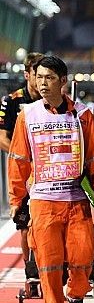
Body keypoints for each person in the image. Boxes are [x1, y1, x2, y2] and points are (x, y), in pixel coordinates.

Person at [7, 55, 94, 303]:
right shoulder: (27, 116)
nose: (43, 83)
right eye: (39, 77)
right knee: (49, 265)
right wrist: (16, 200)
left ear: (63, 81)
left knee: (84, 257)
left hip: (77, 201)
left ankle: (76, 294)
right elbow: (18, 161)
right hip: (43, 203)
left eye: (49, 78)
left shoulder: (83, 115)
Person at [0, 51, 43, 280]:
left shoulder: (53, 100)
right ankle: (31, 271)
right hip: (24, 172)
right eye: (38, 74)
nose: (43, 80)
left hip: (50, 172)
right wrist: (28, 158)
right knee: (25, 225)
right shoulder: (12, 101)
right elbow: (2, 138)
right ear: (28, 74)